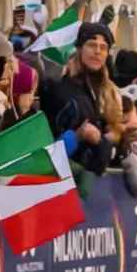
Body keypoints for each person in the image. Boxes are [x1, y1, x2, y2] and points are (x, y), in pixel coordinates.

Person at [42, 23, 124, 173]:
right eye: (92, 45)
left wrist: (113, 138)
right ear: (79, 49)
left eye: (103, 47)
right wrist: (77, 137)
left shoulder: (100, 94)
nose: (97, 52)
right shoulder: (57, 87)